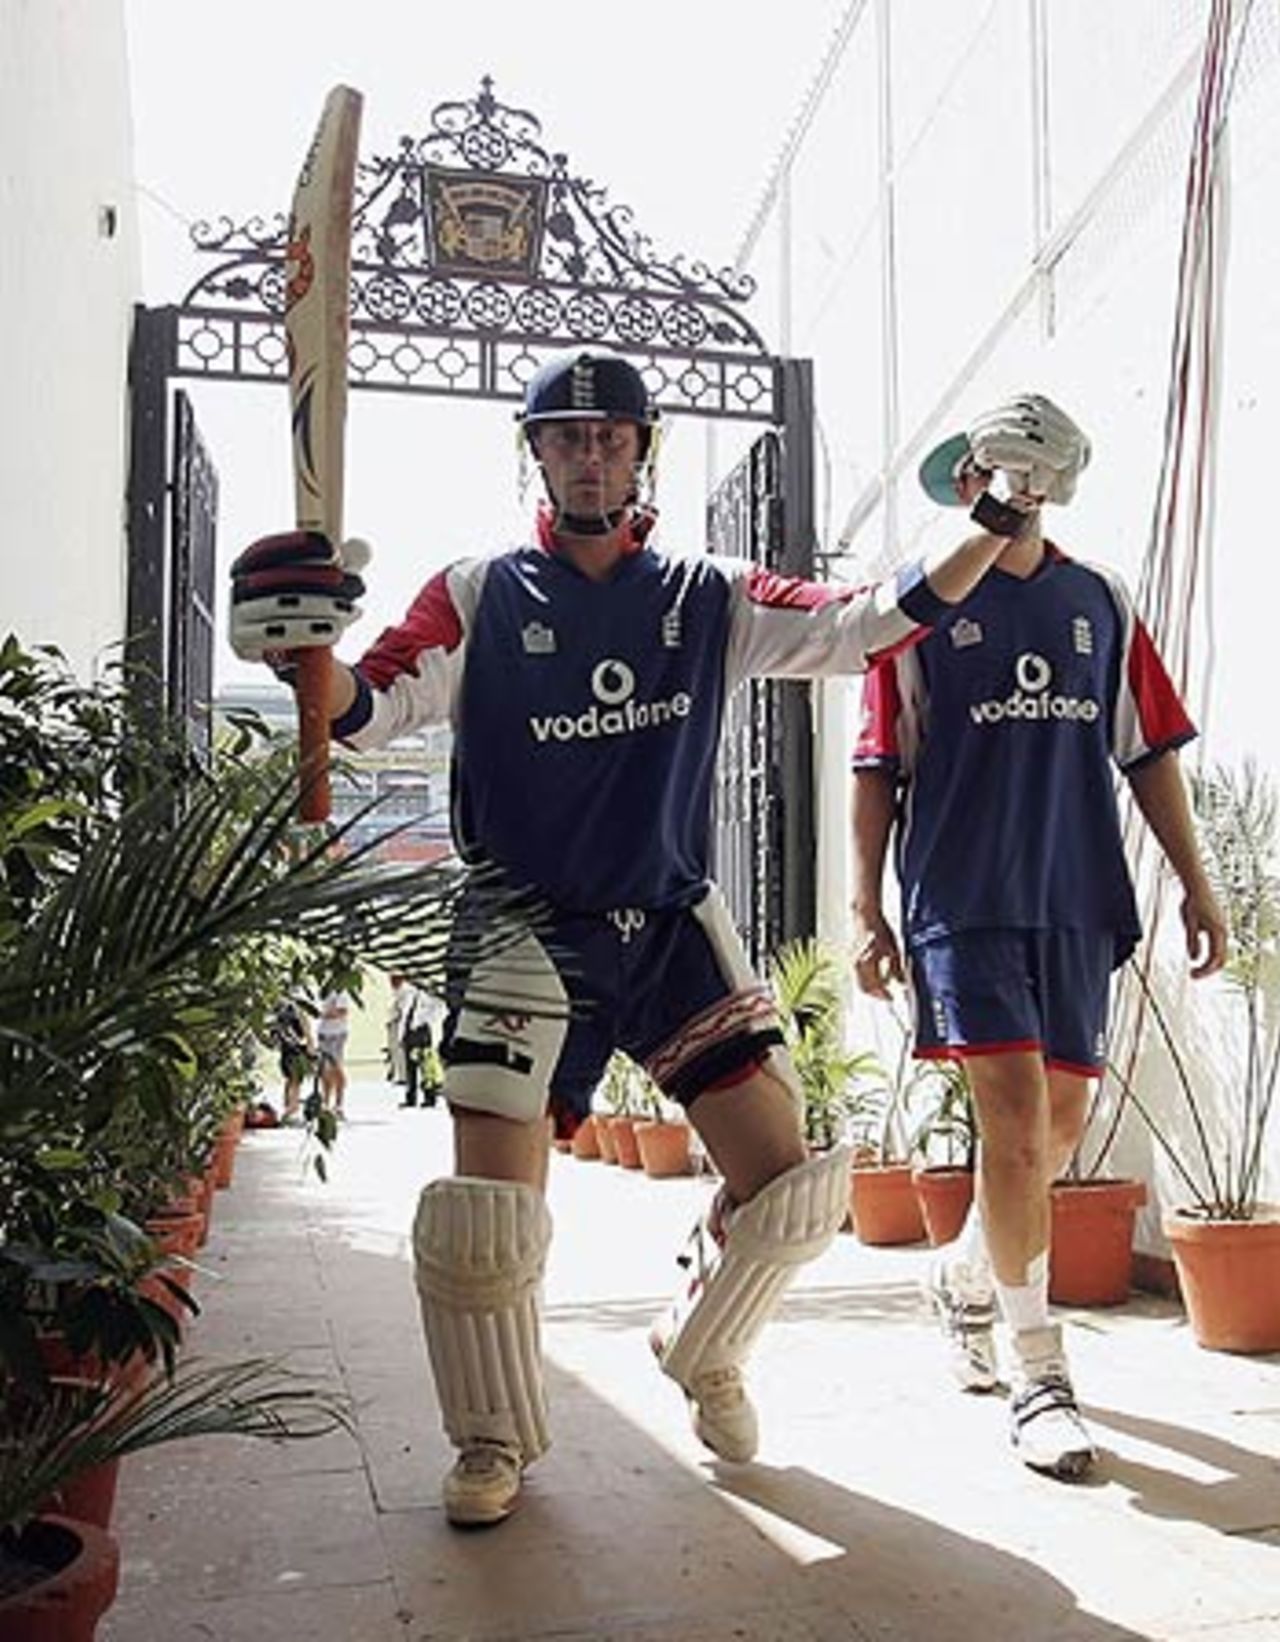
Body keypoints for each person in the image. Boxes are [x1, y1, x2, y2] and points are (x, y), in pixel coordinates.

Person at [229, 345, 1020, 1529]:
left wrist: (997, 518)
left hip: (665, 920)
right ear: (533, 453)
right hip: (518, 925)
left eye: (610, 436)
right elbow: (364, 710)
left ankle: (701, 1350)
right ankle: (489, 1436)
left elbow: (864, 624)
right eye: (565, 436)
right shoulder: (478, 592)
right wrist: (305, 650)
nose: (588, 456)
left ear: (641, 451)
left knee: (795, 1186)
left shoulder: (706, 593)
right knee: (485, 1214)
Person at [849, 392, 1227, 1481]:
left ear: (1043, 482)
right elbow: (876, 770)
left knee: (1057, 1127)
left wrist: (1195, 888)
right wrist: (865, 908)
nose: (990, 497)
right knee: (1011, 1121)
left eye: (1011, 479)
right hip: (959, 897)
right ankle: (1037, 1370)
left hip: (1075, 893)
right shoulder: (916, 610)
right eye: (977, 479)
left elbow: (1145, 749)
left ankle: (970, 1272)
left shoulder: (1095, 599)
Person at [269, 996, 314, 1125]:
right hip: (295, 1050)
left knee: (291, 1080)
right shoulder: (293, 1007)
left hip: (287, 1049)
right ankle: (291, 1111)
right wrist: (310, 1043)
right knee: (295, 1081)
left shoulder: (278, 1009)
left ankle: (289, 1110)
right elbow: (305, 1025)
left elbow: (274, 1035)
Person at [399, 981, 444, 1108]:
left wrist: (426, 1020)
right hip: (409, 1031)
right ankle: (410, 1098)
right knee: (410, 1067)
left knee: (426, 1066)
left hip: (422, 1031)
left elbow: (439, 1008)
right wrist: (401, 1035)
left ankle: (429, 1097)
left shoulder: (430, 994)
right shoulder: (410, 992)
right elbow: (405, 1013)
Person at [316, 989, 350, 1119]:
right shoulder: (322, 991)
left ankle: (339, 1105)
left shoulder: (340, 991)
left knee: (336, 1068)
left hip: (337, 1034)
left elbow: (343, 1011)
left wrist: (322, 1013)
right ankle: (325, 1103)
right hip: (323, 1033)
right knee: (324, 1070)